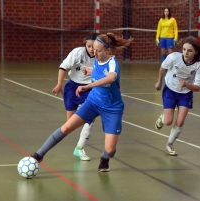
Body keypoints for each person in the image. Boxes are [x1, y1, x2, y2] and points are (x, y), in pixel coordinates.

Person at [31, 32, 133, 172]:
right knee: (67, 127)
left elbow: (109, 78)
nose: (95, 53)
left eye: (98, 51)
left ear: (108, 50)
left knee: (110, 149)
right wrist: (90, 71)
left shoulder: (113, 63)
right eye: (94, 50)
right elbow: (98, 69)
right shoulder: (97, 60)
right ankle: (39, 154)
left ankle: (104, 158)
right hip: (93, 102)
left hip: (112, 108)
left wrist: (88, 86)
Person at [52, 32, 99, 161]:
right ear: (85, 44)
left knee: (91, 118)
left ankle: (79, 148)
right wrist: (59, 84)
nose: (91, 49)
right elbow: (63, 67)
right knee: (70, 124)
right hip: (72, 87)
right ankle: (82, 111)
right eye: (89, 46)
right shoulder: (77, 53)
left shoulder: (100, 57)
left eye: (94, 47)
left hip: (89, 88)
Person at [154, 36, 200, 156]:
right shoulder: (173, 57)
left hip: (186, 94)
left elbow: (197, 87)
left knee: (180, 121)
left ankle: (169, 144)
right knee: (168, 121)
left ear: (196, 51)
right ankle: (163, 118)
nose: (186, 53)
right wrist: (159, 82)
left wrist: (186, 84)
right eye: (184, 49)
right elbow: (162, 68)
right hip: (170, 90)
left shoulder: (199, 66)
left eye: (189, 50)